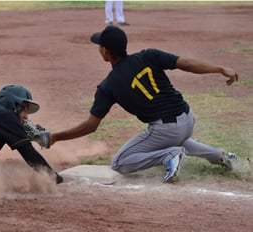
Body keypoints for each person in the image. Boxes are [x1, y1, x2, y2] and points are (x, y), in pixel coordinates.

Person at [49, 25, 239, 183]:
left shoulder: (108, 86)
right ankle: (220, 156)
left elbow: (90, 126)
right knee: (175, 139)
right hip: (187, 118)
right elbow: (186, 64)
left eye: (100, 46)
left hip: (166, 129)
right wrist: (219, 68)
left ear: (106, 51)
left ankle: (169, 157)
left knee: (120, 162)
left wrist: (56, 136)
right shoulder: (149, 55)